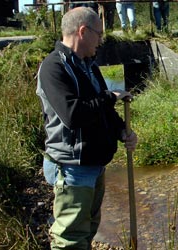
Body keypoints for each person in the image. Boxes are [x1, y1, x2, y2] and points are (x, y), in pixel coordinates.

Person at [36, 7, 138, 249]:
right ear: (83, 31)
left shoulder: (88, 65)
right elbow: (73, 115)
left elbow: (103, 110)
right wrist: (108, 97)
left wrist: (122, 131)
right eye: (99, 34)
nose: (101, 41)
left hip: (93, 165)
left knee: (88, 230)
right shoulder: (53, 67)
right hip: (71, 167)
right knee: (70, 239)